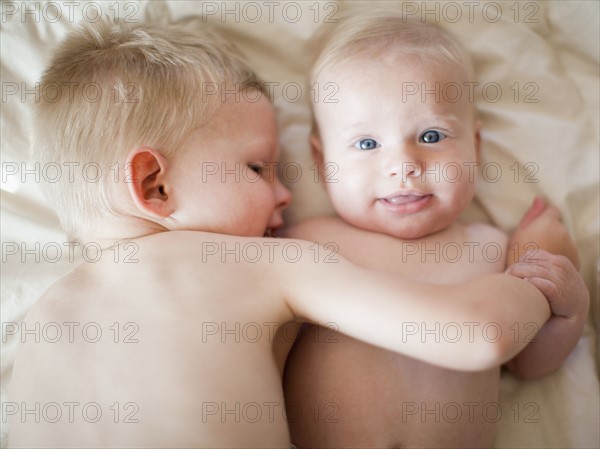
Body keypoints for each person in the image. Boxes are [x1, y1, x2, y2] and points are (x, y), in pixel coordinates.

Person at [283, 13, 590, 448]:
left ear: (476, 147)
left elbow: (529, 365)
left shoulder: (492, 249)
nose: (404, 165)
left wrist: (568, 308)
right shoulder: (309, 243)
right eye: (367, 144)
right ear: (321, 163)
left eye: (430, 135)